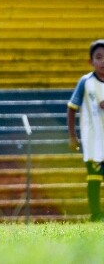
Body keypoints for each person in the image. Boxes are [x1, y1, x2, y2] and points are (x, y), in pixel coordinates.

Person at [67, 40, 104, 222]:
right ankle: (96, 214)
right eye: (99, 57)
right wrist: (72, 136)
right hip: (93, 140)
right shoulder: (86, 82)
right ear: (91, 62)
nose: (103, 62)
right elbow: (72, 107)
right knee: (94, 177)